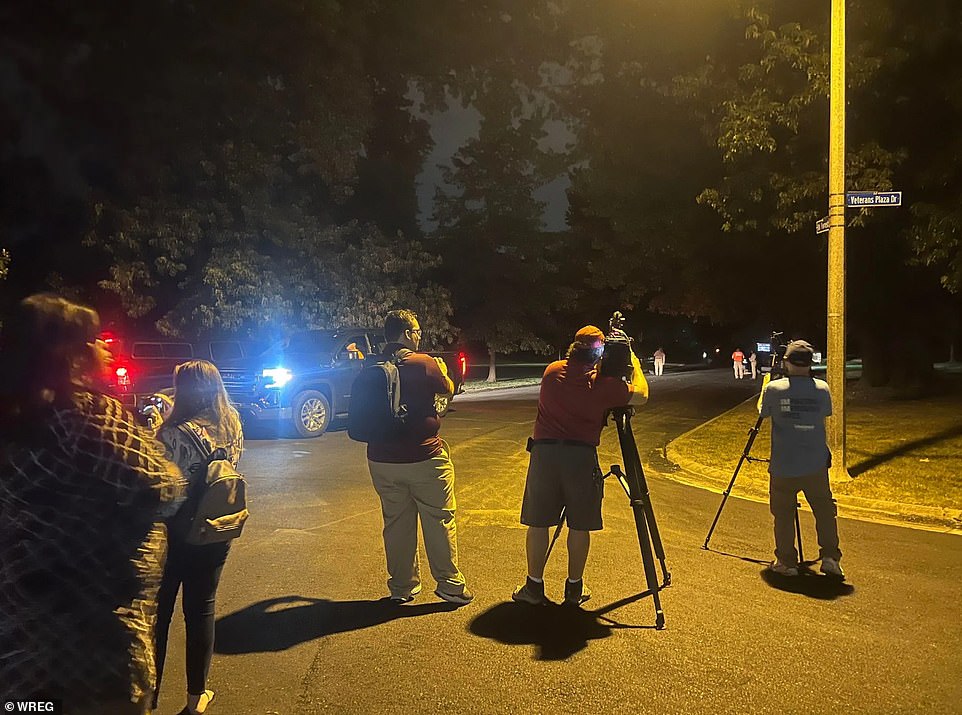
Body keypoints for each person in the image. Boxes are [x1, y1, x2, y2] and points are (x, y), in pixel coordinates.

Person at [0, 294, 183, 715]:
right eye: (95, 339)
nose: (104, 346)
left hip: (20, 642)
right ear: (70, 352)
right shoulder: (90, 415)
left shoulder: (13, 416)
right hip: (96, 640)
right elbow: (162, 489)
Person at [512, 325, 649, 606]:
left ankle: (533, 587)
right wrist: (632, 360)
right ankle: (574, 588)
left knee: (538, 523)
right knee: (579, 525)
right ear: (599, 353)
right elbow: (643, 395)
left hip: (544, 455)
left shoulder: (552, 371)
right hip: (581, 457)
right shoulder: (604, 385)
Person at [154, 360, 245, 715]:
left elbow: (161, 483)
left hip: (175, 532)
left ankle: (149, 697)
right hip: (214, 528)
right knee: (201, 609)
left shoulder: (171, 432)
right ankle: (196, 698)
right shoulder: (232, 421)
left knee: (159, 617)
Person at [365, 309, 472, 605]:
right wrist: (441, 367)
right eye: (417, 333)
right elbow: (449, 389)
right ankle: (450, 585)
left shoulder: (372, 363)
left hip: (381, 460)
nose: (419, 337)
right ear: (407, 334)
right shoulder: (424, 363)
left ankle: (402, 587)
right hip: (424, 457)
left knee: (396, 523)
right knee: (438, 519)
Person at [758, 340, 844, 579]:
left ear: (786, 362)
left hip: (784, 463)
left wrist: (767, 382)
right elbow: (826, 412)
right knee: (824, 511)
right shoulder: (822, 388)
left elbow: (763, 412)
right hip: (815, 463)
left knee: (783, 514)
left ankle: (787, 561)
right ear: (809, 363)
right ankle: (830, 558)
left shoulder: (774, 389)